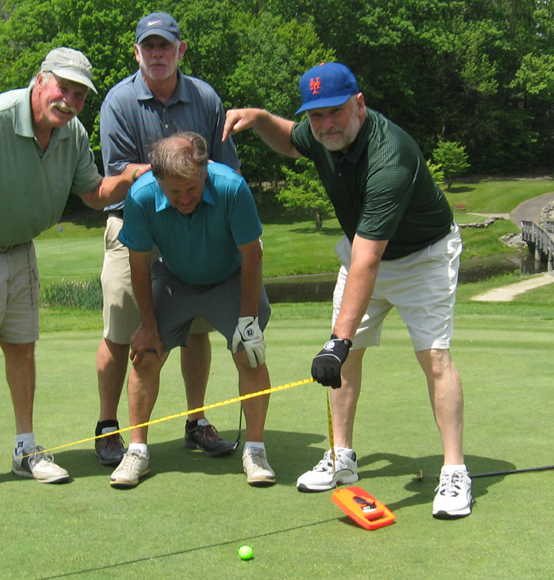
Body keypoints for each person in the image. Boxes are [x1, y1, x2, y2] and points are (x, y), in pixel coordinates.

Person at [223, 62, 472, 519]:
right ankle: (342, 458)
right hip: (366, 250)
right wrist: (259, 118)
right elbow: (289, 138)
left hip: (423, 256)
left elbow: (367, 260)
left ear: (359, 104)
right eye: (315, 116)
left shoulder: (389, 156)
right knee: (348, 359)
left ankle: (455, 471)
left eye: (335, 112)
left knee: (433, 356)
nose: (325, 124)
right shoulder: (320, 134)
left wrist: (337, 341)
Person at [0, 47, 150, 503]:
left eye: (80, 95)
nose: (69, 101)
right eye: (63, 88)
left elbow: (93, 192)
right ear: (40, 80)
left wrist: (128, 177)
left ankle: (25, 450)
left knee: (22, 351)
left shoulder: (71, 134)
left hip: (21, 253)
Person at [95, 12, 242, 467]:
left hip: (195, 222)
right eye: (149, 47)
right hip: (132, 223)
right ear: (136, 52)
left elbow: (225, 169)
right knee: (124, 327)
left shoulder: (205, 97)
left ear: (181, 50)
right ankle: (108, 426)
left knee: (196, 323)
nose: (157, 54)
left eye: (166, 46)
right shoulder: (118, 102)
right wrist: (171, 171)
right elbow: (117, 178)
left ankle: (195, 421)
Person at [108, 132, 275, 489]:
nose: (184, 200)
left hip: (230, 278)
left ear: (203, 172)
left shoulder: (232, 187)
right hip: (175, 278)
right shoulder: (140, 196)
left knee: (250, 355)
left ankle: (256, 450)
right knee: (146, 354)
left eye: (191, 190)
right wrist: (147, 325)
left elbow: (252, 256)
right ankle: (137, 451)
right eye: (174, 193)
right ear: (157, 180)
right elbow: (138, 264)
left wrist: (248, 321)